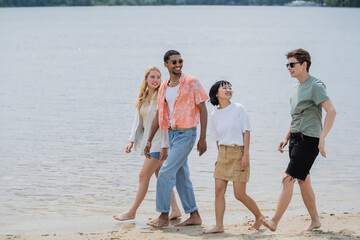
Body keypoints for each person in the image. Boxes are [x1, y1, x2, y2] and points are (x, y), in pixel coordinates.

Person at [261, 49, 336, 232]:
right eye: (287, 65)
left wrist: (322, 138)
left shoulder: (315, 85)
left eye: (292, 64)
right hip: (295, 140)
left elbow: (331, 111)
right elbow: (296, 116)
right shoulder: (295, 88)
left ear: (304, 65)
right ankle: (315, 221)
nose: (288, 68)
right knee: (304, 180)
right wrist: (286, 137)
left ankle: (274, 221)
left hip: (309, 141)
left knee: (288, 179)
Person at [144, 50, 208, 228]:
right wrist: (149, 139)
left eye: (180, 61)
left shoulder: (191, 82)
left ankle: (163, 216)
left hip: (187, 134)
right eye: (173, 62)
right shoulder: (164, 86)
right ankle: (194, 215)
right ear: (166, 64)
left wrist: (203, 138)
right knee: (182, 177)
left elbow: (203, 109)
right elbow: (159, 114)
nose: (178, 64)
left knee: (165, 173)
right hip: (172, 134)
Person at [113, 66, 181, 222]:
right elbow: (138, 122)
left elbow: (164, 123)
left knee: (143, 176)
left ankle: (132, 212)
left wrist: (165, 145)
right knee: (160, 175)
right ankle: (175, 210)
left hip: (159, 143)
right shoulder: (143, 97)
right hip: (148, 143)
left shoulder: (161, 97)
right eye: (152, 77)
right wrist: (131, 140)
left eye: (158, 77)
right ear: (146, 79)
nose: (156, 80)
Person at [203, 80, 264, 234]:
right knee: (218, 191)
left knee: (239, 194)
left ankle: (259, 217)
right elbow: (217, 138)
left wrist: (246, 155)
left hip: (239, 153)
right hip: (222, 154)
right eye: (224, 88)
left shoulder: (238, 108)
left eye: (230, 88)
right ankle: (219, 225)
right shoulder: (214, 114)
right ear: (216, 93)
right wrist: (220, 156)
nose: (228, 90)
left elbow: (247, 131)